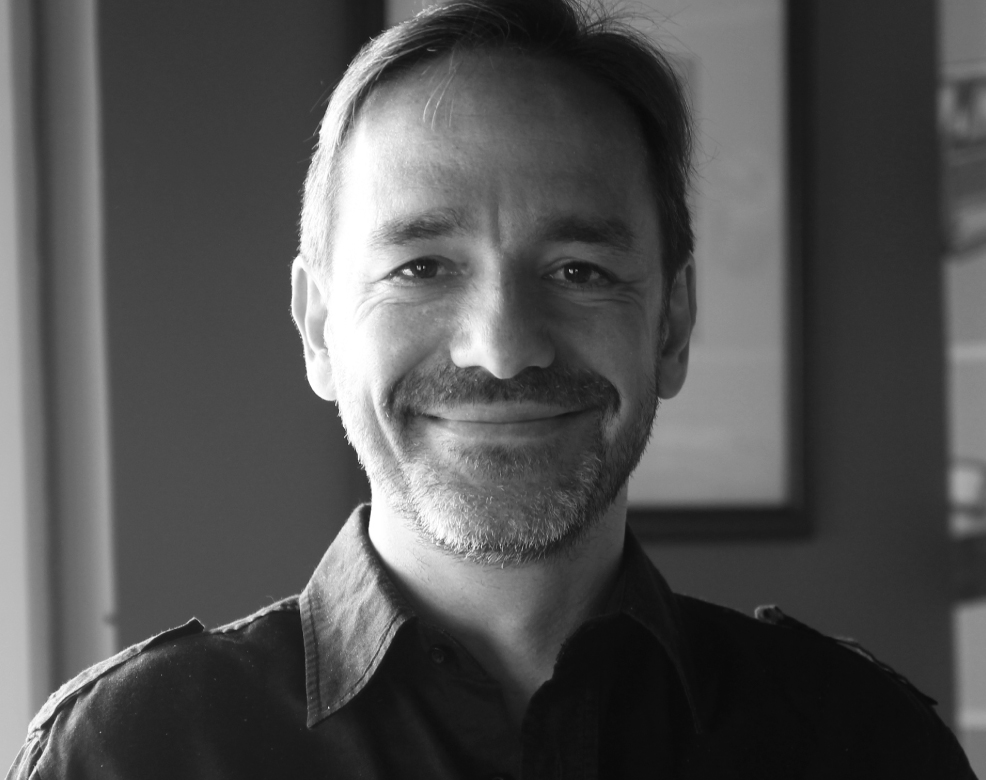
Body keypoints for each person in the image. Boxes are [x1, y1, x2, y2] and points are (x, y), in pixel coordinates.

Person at [7, 1, 977, 778]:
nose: (505, 348)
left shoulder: (859, 743)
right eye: (422, 267)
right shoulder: (129, 754)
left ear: (672, 325)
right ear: (318, 328)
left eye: (579, 270)